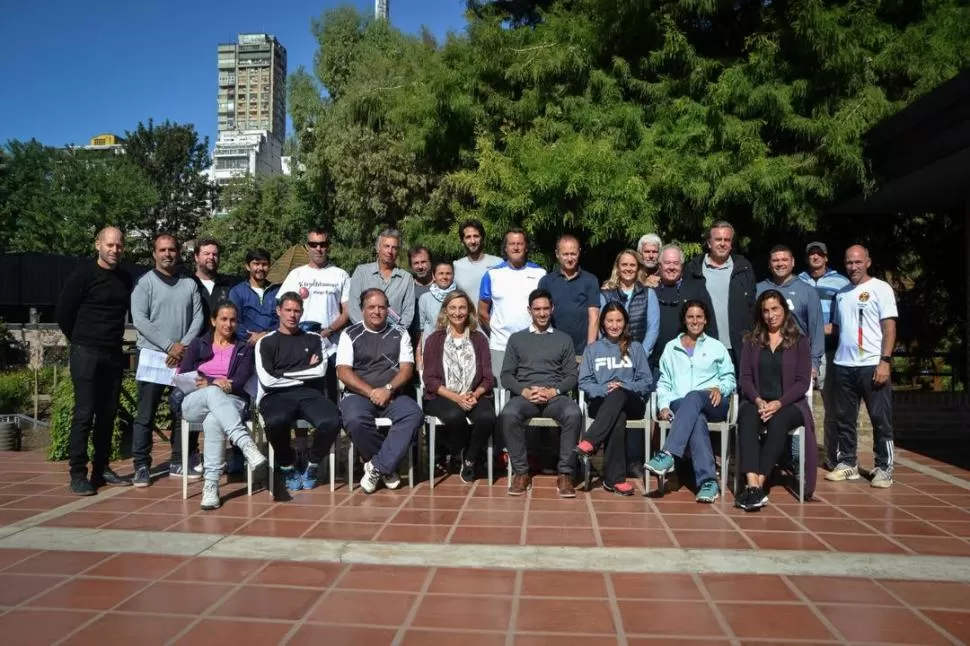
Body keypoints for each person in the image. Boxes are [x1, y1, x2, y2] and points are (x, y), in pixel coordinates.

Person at [56, 226, 133, 495]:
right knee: (84, 413)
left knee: (108, 414)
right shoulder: (83, 275)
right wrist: (80, 340)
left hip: (113, 353)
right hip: (86, 352)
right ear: (97, 245)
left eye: (119, 246)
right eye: (110, 245)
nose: (115, 250)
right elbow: (64, 313)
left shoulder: (125, 279)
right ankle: (78, 473)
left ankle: (101, 469)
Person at [176, 301, 267, 510]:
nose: (228, 324)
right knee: (212, 392)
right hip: (194, 402)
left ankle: (211, 485)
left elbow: (242, 379)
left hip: (230, 402)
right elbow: (184, 376)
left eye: (233, 320)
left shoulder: (244, 348)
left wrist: (214, 385)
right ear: (213, 320)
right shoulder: (198, 344)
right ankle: (246, 444)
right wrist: (212, 382)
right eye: (224, 319)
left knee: (214, 420)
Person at [130, 233, 203, 487]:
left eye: (172, 249)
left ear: (178, 253)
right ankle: (141, 465)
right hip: (152, 357)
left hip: (182, 357)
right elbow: (139, 319)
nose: (167, 254)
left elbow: (198, 319)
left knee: (182, 410)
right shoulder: (145, 283)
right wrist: (169, 346)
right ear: (154, 253)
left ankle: (179, 459)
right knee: (146, 414)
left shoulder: (189, 284)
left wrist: (181, 347)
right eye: (162, 250)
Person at [645, 300, 736, 503]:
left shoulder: (716, 347)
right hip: (681, 404)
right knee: (696, 419)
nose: (695, 321)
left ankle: (668, 453)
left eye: (699, 317)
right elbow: (664, 383)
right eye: (690, 317)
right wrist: (664, 406)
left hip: (713, 400)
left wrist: (720, 388)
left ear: (705, 320)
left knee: (694, 396)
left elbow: (730, 377)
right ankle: (708, 483)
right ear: (684, 320)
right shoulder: (671, 348)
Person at [736, 290, 818, 511]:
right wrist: (758, 400)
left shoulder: (800, 342)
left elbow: (802, 382)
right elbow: (744, 378)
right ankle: (753, 484)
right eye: (765, 310)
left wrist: (779, 403)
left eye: (775, 309)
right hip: (758, 402)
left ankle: (758, 485)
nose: (770, 315)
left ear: (784, 310)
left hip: (790, 404)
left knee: (778, 420)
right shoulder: (751, 341)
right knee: (746, 417)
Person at [336, 289, 424, 493]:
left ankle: (376, 466)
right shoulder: (349, 334)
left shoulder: (400, 333)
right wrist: (371, 392)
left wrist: (387, 389)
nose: (377, 311)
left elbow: (406, 369)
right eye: (371, 307)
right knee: (354, 421)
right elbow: (343, 372)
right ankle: (387, 467)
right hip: (358, 395)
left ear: (388, 310)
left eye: (382, 307)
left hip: (392, 394)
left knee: (413, 414)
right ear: (362, 310)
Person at [499, 289, 583, 498]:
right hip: (526, 397)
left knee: (573, 413)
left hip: (555, 397)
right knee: (509, 414)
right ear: (530, 311)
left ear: (552, 309)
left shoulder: (564, 339)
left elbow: (572, 376)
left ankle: (565, 473)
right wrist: (525, 392)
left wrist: (553, 391)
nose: (542, 313)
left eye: (546, 308)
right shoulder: (517, 339)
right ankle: (521, 472)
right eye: (537, 309)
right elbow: (506, 376)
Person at [255, 292, 342, 493]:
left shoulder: (314, 339)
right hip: (275, 396)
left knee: (332, 421)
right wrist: (304, 370)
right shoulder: (265, 342)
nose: (292, 315)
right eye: (288, 310)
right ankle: (288, 464)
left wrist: (281, 373)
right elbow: (267, 379)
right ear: (278, 311)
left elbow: (320, 370)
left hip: (310, 394)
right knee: (275, 422)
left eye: (296, 311)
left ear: (302, 313)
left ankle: (312, 462)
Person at [827, 245, 898, 488]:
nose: (853, 267)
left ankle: (884, 467)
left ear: (868, 261)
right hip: (843, 365)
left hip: (872, 365)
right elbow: (836, 328)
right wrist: (805, 328)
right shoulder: (842, 293)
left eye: (858, 262)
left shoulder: (881, 288)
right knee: (845, 419)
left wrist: (885, 361)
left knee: (880, 418)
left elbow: (889, 327)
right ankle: (848, 463)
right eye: (849, 262)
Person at [577, 302, 652, 496]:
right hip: (602, 403)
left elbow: (646, 381)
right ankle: (615, 480)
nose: (614, 325)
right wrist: (604, 389)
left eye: (619, 320)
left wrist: (624, 386)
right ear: (602, 323)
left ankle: (590, 441)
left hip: (632, 400)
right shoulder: (593, 349)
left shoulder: (635, 348)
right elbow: (584, 382)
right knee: (617, 418)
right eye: (610, 321)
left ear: (625, 322)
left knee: (618, 393)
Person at [422, 290, 496, 482]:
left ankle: (469, 459)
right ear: (445, 311)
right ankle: (459, 452)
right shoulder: (433, 340)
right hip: (442, 396)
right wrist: (457, 398)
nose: (457, 312)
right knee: (455, 415)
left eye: (462, 307)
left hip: (474, 394)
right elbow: (429, 379)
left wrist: (476, 393)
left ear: (469, 310)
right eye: (452, 308)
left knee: (487, 417)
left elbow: (488, 378)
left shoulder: (479, 339)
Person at [600, 249, 660, 477]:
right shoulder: (606, 293)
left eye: (632, 265)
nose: (628, 269)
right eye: (624, 264)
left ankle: (635, 459)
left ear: (638, 268)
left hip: (641, 360)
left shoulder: (648, 294)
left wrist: (638, 356)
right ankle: (614, 459)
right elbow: (602, 330)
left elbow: (653, 328)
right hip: (612, 361)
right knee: (614, 404)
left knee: (638, 407)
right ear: (618, 266)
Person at [279, 227, 352, 403]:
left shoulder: (340, 274)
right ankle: (301, 432)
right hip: (300, 345)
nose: (318, 248)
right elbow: (282, 308)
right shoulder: (296, 275)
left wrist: (329, 330)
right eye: (313, 244)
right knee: (300, 398)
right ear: (307, 246)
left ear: (329, 246)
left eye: (323, 244)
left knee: (331, 400)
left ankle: (332, 431)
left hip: (331, 346)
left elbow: (347, 312)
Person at [797, 241, 850, 469]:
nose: (815, 257)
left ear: (826, 257)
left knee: (833, 407)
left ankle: (832, 457)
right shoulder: (798, 280)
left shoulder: (842, 282)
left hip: (830, 350)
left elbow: (845, 320)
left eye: (820, 254)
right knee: (798, 405)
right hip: (801, 350)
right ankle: (798, 458)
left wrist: (819, 330)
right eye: (811, 254)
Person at [684, 221, 756, 367]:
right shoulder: (693, 270)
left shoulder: (744, 269)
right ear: (709, 243)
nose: (722, 244)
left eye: (727, 240)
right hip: (704, 346)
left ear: (731, 244)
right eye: (718, 240)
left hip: (739, 348)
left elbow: (752, 307)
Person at [479, 227, 547, 378]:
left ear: (526, 246)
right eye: (512, 244)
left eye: (520, 243)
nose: (516, 247)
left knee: (532, 389)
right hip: (501, 346)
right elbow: (482, 312)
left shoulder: (540, 274)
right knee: (502, 393)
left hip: (533, 344)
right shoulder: (492, 274)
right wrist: (497, 332)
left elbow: (546, 309)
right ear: (505, 247)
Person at [756, 245, 824, 376]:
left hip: (797, 358)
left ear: (792, 262)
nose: (780, 264)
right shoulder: (758, 290)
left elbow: (816, 331)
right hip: (765, 358)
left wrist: (814, 363)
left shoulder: (808, 291)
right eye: (775, 260)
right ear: (769, 264)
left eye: (784, 260)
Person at [653, 245, 717, 377]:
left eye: (676, 263)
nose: (671, 267)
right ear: (659, 266)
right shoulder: (650, 290)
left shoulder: (696, 289)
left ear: (682, 266)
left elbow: (710, 324)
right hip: (656, 363)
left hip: (690, 362)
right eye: (667, 263)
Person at [538, 234, 600, 356]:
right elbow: (541, 315)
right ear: (557, 254)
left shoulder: (590, 280)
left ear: (579, 252)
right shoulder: (546, 281)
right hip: (554, 350)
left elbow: (594, 317)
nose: (570, 258)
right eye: (565, 254)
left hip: (581, 352)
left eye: (573, 254)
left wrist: (590, 350)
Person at [348, 229, 415, 329]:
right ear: (378, 248)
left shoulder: (406, 278)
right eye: (386, 246)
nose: (390, 251)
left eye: (394, 248)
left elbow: (408, 313)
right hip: (364, 335)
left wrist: (394, 334)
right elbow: (353, 307)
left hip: (393, 337)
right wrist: (366, 331)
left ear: (398, 251)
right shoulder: (361, 272)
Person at [229, 248, 280, 346]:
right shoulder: (237, 292)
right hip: (246, 345)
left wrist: (266, 334)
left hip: (273, 344)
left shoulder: (277, 291)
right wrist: (249, 337)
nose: (260, 268)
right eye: (256, 264)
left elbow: (282, 319)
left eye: (264, 264)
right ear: (248, 266)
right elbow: (234, 320)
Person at [453, 219, 502, 313]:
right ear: (462, 241)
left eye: (476, 236)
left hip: (494, 324)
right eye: (468, 237)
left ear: (482, 238)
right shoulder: (456, 266)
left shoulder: (498, 263)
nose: (473, 241)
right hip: (468, 325)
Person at [417, 260, 457, 363]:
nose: (445, 277)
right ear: (434, 276)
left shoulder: (459, 297)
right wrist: (419, 356)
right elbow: (420, 330)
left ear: (453, 276)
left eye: (448, 273)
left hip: (454, 353)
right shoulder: (424, 298)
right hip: (431, 352)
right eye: (441, 273)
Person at [191, 237, 238, 324]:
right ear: (196, 257)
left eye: (215, 254)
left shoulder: (230, 284)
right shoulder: (189, 284)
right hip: (196, 336)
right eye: (206, 253)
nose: (211, 257)